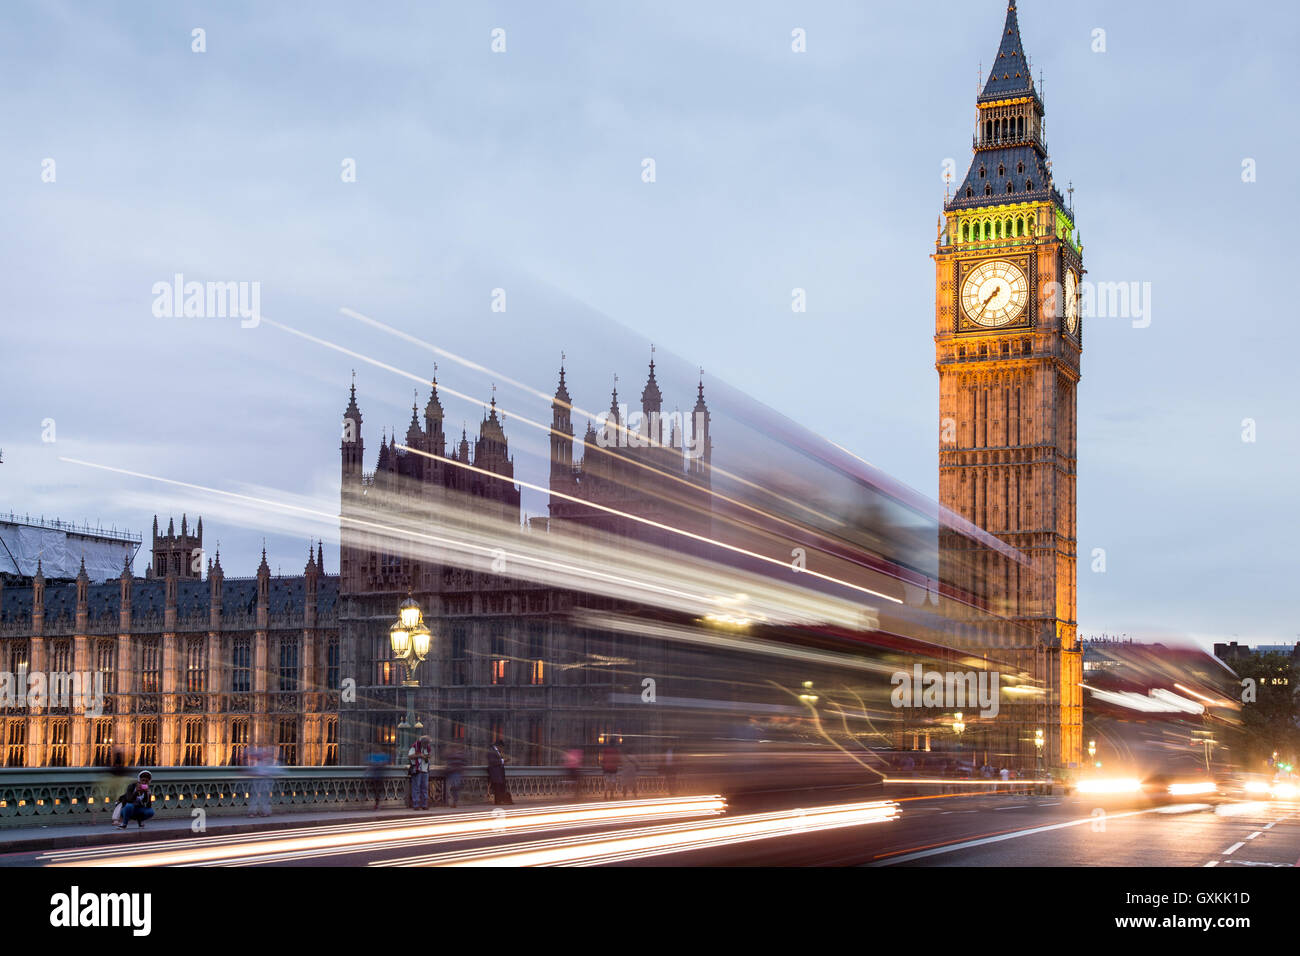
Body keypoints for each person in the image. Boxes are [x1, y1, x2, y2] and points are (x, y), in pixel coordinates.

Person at [249, 745, 275, 817]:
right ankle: (254, 812)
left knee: (262, 797)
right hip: (259, 781)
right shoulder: (259, 763)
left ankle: (264, 812)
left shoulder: (266, 763)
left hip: (263, 781)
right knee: (257, 797)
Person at [408, 735, 432, 810]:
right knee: (416, 788)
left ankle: (424, 805)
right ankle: (416, 805)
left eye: (427, 743)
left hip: (425, 770)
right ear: (422, 742)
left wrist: (427, 757)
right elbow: (410, 756)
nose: (427, 744)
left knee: (424, 788)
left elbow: (429, 756)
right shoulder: (414, 746)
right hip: (417, 770)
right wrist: (420, 755)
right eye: (425, 743)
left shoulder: (428, 748)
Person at [487, 739, 512, 805]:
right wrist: (503, 761)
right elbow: (492, 762)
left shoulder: (496, 751)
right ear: (499, 746)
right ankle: (498, 801)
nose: (502, 749)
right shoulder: (492, 751)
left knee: (499, 787)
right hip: (495, 772)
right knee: (497, 787)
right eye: (502, 747)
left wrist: (503, 761)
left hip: (499, 773)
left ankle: (500, 801)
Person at [444, 742, 467, 808]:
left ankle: (454, 802)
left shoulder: (454, 755)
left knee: (454, 788)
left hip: (455, 773)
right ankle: (454, 801)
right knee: (454, 788)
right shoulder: (459, 754)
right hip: (454, 773)